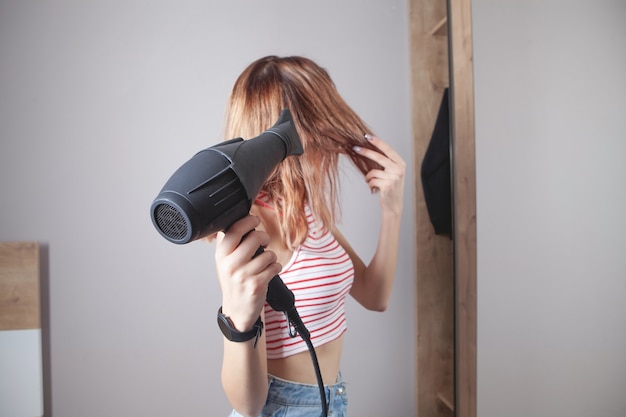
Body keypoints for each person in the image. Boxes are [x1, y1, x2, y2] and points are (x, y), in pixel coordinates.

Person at [212, 55, 405, 417]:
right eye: (317, 129)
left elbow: (374, 295)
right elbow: (248, 405)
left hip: (329, 399)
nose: (330, 144)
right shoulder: (248, 226)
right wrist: (238, 316)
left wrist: (392, 211)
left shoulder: (304, 209)